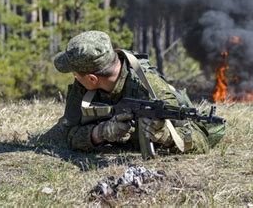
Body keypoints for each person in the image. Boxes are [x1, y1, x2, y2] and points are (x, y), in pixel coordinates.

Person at [38, 30, 225, 154]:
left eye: (75, 74)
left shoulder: (150, 89)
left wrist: (167, 137)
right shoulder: (84, 85)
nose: (74, 78)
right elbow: (63, 134)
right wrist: (99, 133)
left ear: (92, 79)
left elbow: (202, 141)